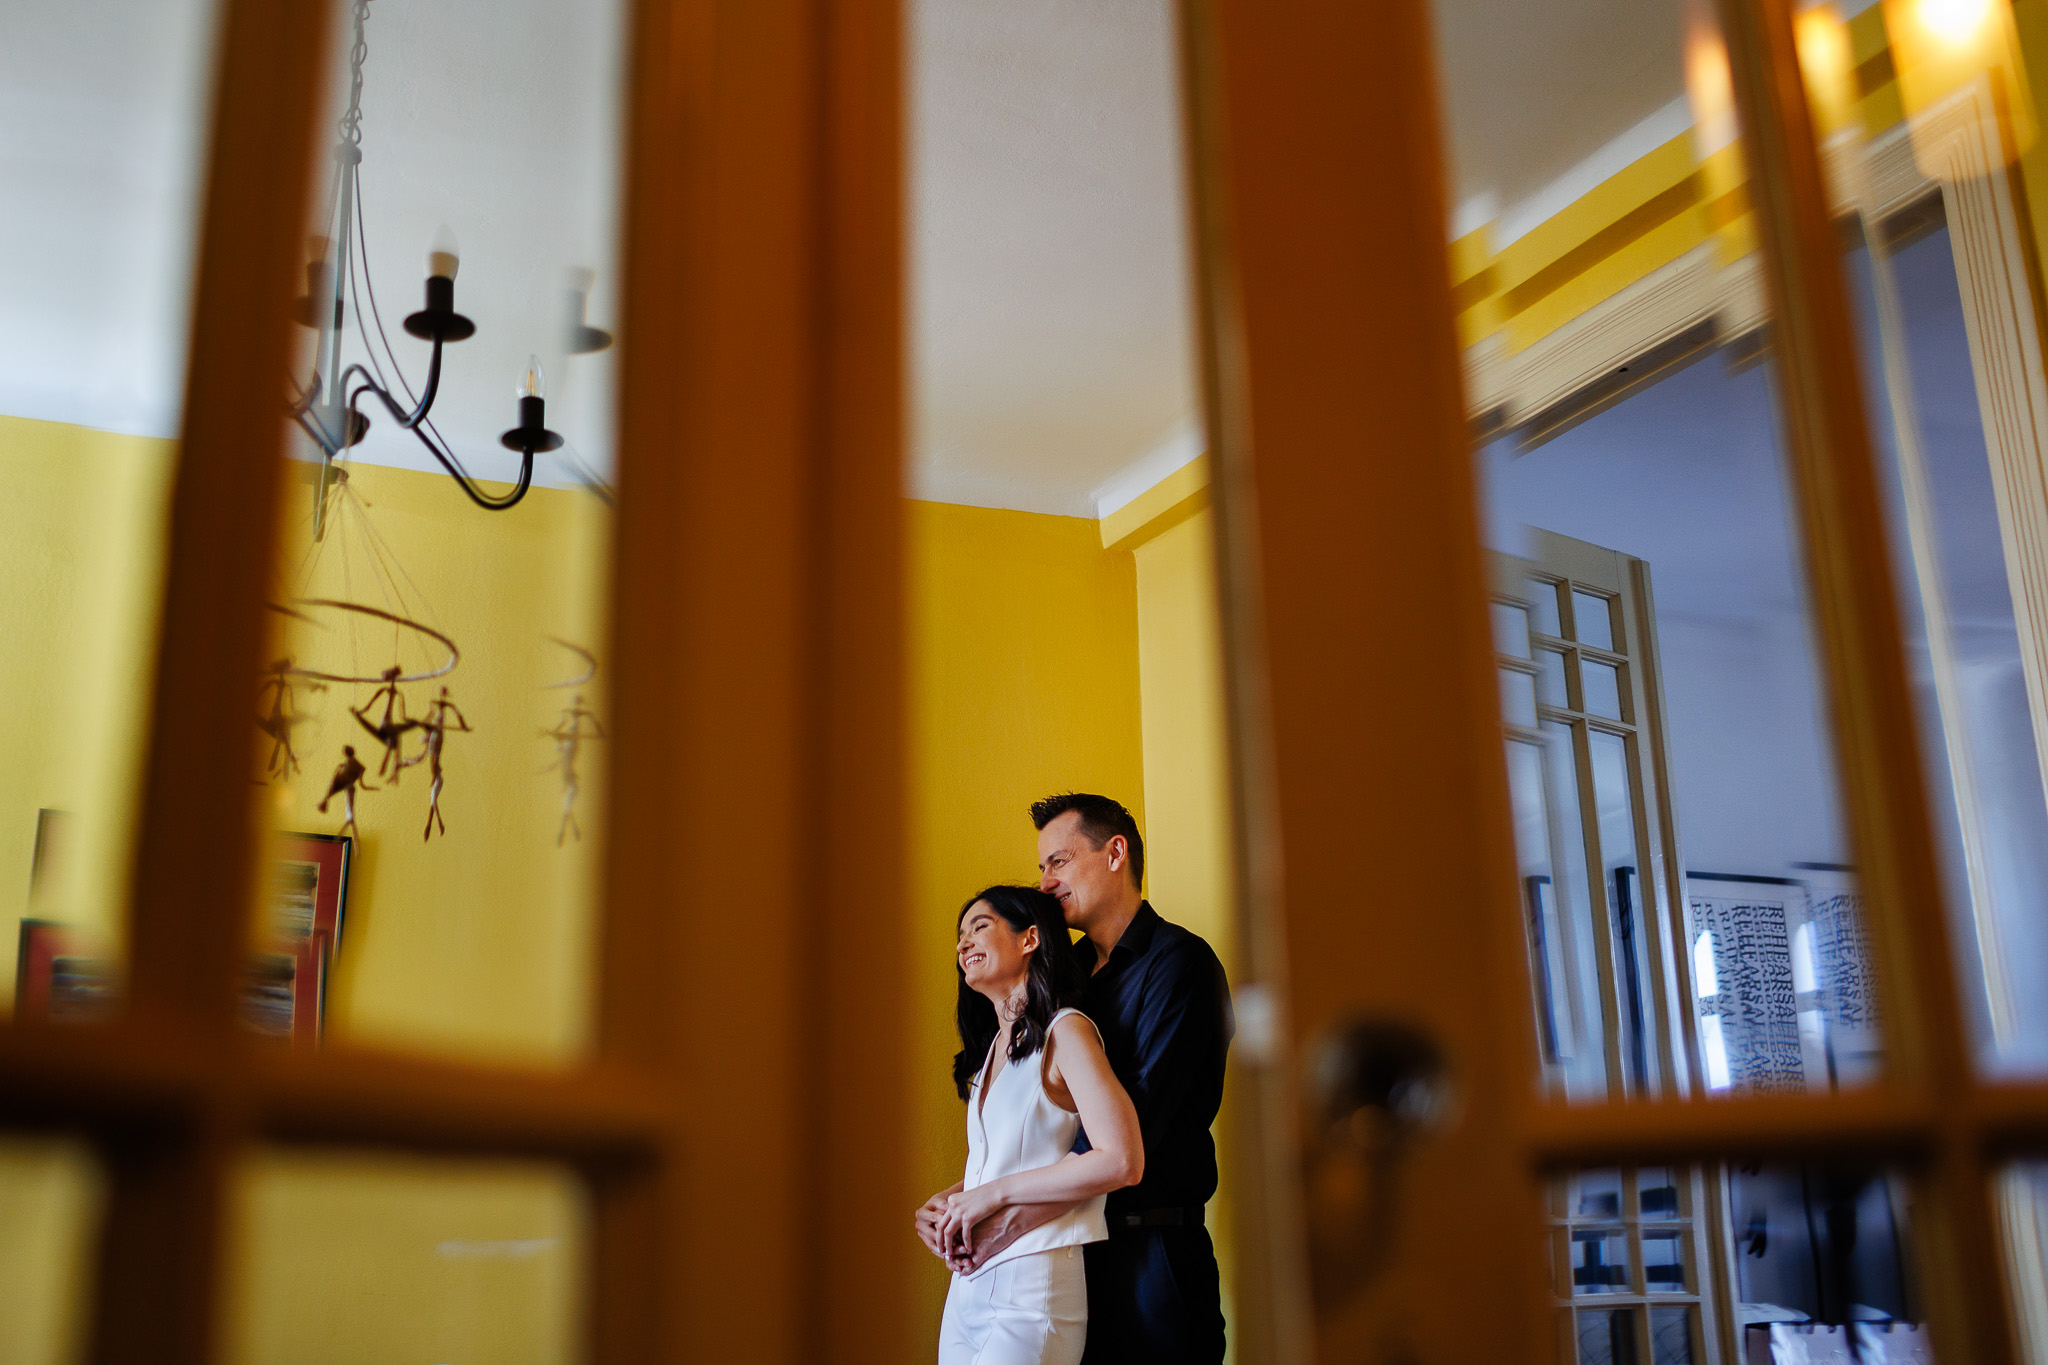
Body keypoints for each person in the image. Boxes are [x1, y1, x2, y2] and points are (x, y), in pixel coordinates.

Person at [938, 794, 1234, 1364]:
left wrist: (1005, 1216)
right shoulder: (1063, 979)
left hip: (1150, 1252)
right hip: (1066, 1252)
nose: (1046, 882)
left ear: (1115, 853)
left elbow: (1130, 1136)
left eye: (1059, 861)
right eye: (1041, 867)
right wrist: (961, 1198)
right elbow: (1043, 1133)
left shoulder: (1182, 963)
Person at [917, 885, 1144, 1365]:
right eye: (960, 934)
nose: (963, 943)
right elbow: (1010, 1161)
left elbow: (1122, 1159)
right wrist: (949, 1203)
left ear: (1030, 939)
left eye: (980, 926)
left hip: (1033, 1291)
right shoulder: (992, 1051)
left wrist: (991, 1195)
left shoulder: (1067, 1031)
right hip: (967, 1288)